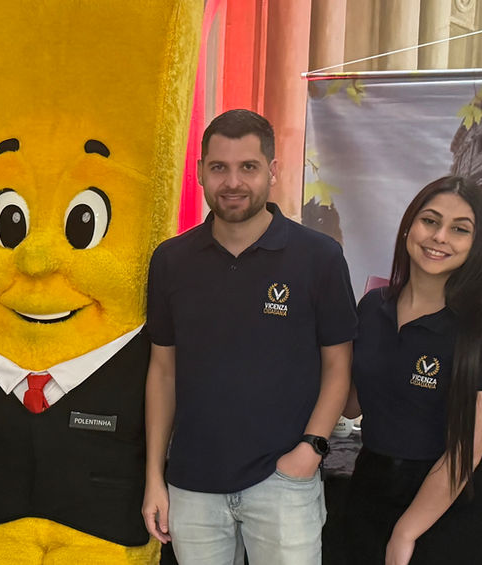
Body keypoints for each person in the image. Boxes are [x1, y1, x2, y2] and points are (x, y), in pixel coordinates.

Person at [141, 109, 357, 565]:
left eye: (249, 167)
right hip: (193, 483)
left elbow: (339, 366)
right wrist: (154, 477)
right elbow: (163, 372)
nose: (233, 182)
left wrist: (311, 449)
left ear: (272, 171)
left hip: (283, 480)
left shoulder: (319, 258)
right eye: (219, 167)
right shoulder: (171, 260)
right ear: (200, 171)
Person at [342, 176, 482, 565]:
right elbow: (351, 405)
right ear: (408, 228)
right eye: (430, 221)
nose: (439, 237)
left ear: (477, 245)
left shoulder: (481, 331)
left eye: (459, 229)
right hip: (372, 487)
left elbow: (465, 453)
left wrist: (406, 532)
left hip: (449, 506)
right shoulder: (372, 307)